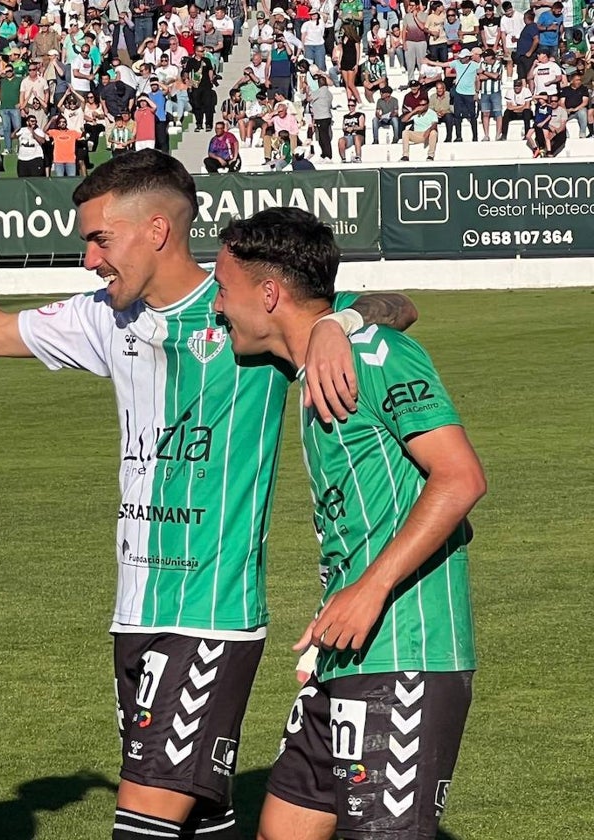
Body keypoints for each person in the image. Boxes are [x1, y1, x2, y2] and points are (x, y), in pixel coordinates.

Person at [0, 150, 417, 840]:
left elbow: (397, 306)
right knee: (199, 824)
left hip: (208, 614)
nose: (90, 259)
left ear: (157, 231)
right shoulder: (106, 316)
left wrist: (341, 322)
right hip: (133, 614)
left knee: (143, 826)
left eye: (101, 239)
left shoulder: (244, 303)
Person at [211, 206, 484, 840]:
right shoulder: (315, 358)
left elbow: (461, 478)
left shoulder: (375, 355)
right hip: (342, 657)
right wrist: (341, 318)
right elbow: (396, 301)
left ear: (270, 292)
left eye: (224, 289)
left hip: (405, 654)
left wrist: (368, 587)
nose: (218, 309)